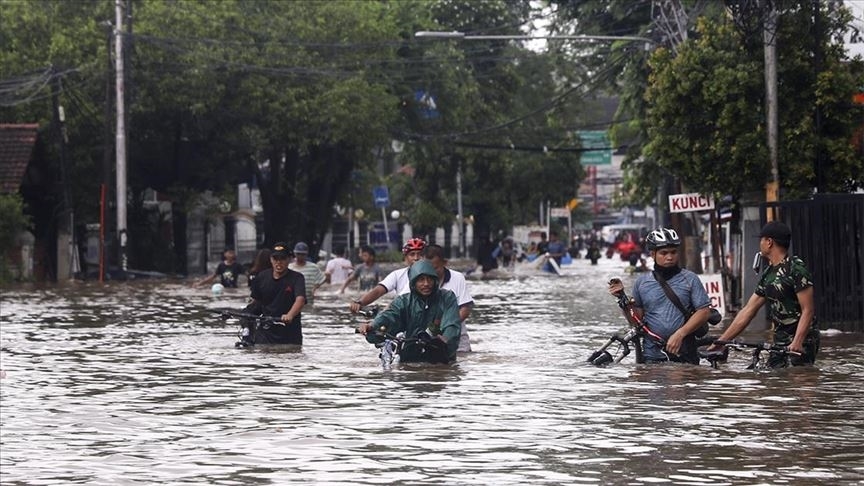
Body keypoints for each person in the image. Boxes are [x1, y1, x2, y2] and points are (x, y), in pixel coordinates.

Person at [707, 221, 819, 367]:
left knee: (799, 381)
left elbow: (808, 310)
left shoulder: (796, 268)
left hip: (802, 341)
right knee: (772, 379)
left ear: (769, 242)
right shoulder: (768, 274)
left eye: (762, 239)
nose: (760, 243)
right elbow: (748, 310)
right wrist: (722, 341)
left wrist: (797, 341)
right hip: (780, 340)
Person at [607, 227, 711, 364]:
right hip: (652, 355)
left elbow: (704, 312)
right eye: (664, 253)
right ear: (652, 254)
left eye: (673, 252)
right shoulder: (642, 283)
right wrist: (622, 298)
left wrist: (680, 334)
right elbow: (636, 322)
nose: (669, 257)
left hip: (684, 353)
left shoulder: (690, 279)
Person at [356, 259, 461, 363]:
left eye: (430, 279)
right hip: (410, 354)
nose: (426, 284)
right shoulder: (403, 301)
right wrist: (372, 326)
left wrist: (444, 340)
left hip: (440, 355)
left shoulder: (447, 297)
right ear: (413, 283)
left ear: (435, 280)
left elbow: (451, 325)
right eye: (421, 280)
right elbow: (389, 315)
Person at [403, 244, 474, 352]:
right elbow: (399, 304)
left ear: (444, 263)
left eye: (435, 268)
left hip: (456, 342)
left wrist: (443, 326)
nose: (430, 273)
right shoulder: (416, 281)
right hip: (423, 339)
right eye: (427, 268)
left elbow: (465, 309)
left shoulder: (457, 278)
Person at [241, 241, 307, 345]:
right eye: (275, 259)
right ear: (271, 260)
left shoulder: (297, 278)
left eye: (282, 259)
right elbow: (256, 302)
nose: (279, 262)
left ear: (289, 259)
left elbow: (300, 300)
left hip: (289, 334)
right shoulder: (262, 277)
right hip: (265, 333)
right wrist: (246, 315)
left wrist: (289, 315)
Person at [349, 238, 427, 313]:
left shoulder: (432, 275)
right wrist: (360, 303)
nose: (416, 258)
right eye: (412, 254)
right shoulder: (397, 275)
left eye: (420, 254)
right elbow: (378, 291)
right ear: (406, 258)